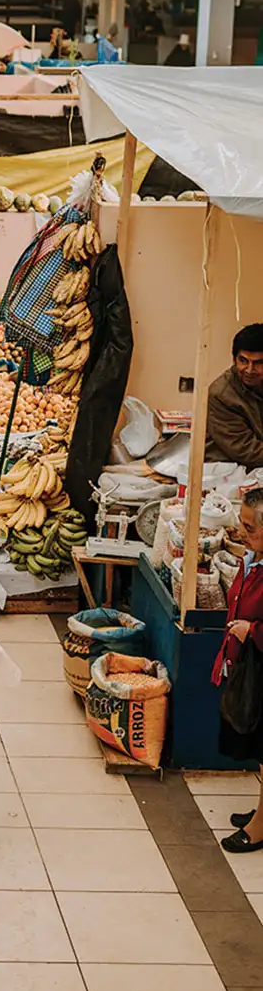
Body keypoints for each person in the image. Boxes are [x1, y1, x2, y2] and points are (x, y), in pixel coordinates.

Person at [211, 487, 263, 851]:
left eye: (250, 528)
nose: (242, 533)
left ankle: (260, 828)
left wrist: (253, 631)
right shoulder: (253, 558)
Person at [207, 324, 263, 467]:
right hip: (229, 470)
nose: (249, 370)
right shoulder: (221, 394)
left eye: (258, 363)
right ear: (234, 359)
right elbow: (247, 451)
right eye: (243, 361)